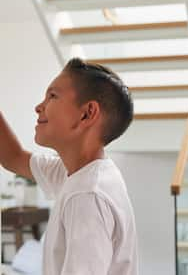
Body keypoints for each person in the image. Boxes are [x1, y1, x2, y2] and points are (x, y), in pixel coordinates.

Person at [0, 58, 138, 275]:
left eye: (52, 96)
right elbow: (13, 157)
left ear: (87, 113)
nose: (38, 107)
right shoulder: (76, 172)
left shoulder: (87, 195)